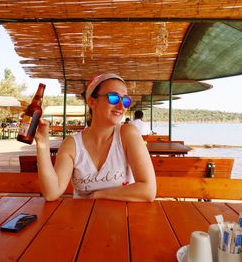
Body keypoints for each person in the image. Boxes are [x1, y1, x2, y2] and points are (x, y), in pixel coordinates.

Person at [34, 72, 156, 202]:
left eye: (125, 100)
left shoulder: (127, 134)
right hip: (83, 220)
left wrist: (97, 195)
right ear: (92, 102)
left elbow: (148, 190)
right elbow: (52, 193)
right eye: (114, 98)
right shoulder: (72, 144)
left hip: (123, 220)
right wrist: (42, 144)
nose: (121, 106)